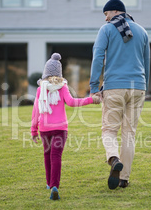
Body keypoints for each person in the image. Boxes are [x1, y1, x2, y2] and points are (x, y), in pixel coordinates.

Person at [89, 0, 150, 190]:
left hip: (115, 86)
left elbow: (98, 57)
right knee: (129, 133)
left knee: (109, 129)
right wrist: (144, 85)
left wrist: (93, 87)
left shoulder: (106, 29)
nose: (105, 18)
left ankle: (114, 159)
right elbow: (146, 61)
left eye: (106, 14)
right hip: (138, 86)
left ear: (113, 11)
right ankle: (124, 178)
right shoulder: (142, 31)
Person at [31, 53, 101, 200]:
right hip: (60, 129)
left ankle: (49, 184)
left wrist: (34, 130)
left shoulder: (40, 89)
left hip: (44, 129)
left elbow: (36, 111)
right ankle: (54, 186)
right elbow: (71, 102)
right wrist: (91, 100)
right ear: (59, 73)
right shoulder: (62, 87)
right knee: (56, 156)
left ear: (45, 73)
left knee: (47, 154)